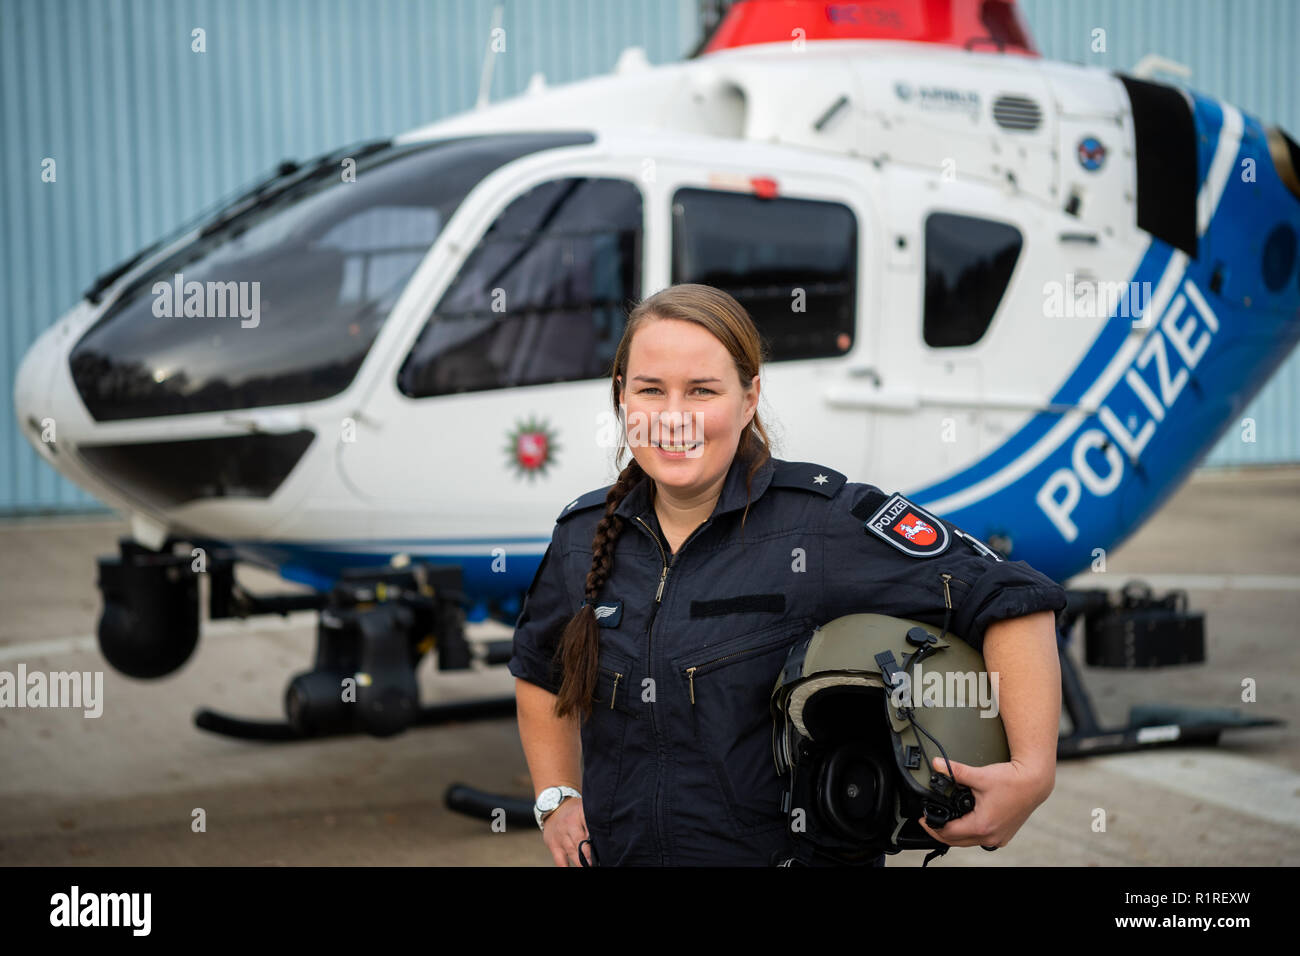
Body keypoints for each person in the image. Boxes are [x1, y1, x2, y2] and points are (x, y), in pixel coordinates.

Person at [509, 283, 1067, 866]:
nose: (673, 418)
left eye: (702, 390)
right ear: (622, 396)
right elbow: (540, 667)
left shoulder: (826, 524)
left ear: (749, 398)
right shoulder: (582, 536)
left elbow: (1010, 593)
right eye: (651, 390)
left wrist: (1032, 773)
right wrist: (557, 797)